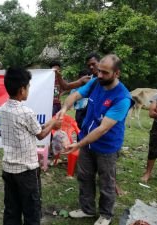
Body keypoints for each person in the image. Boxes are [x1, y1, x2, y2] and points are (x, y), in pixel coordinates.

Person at [57, 54, 133, 225]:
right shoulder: (95, 82)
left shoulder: (122, 98)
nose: (99, 75)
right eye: (99, 71)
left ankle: (106, 215)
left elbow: (103, 129)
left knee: (106, 182)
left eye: (105, 73)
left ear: (116, 73)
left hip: (106, 146)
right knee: (84, 176)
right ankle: (87, 209)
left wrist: (78, 144)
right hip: (86, 140)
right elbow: (75, 96)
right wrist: (64, 108)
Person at [0, 67, 58, 225]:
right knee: (32, 210)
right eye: (28, 87)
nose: (29, 90)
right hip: (26, 171)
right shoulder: (25, 112)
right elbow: (40, 134)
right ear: (21, 90)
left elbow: (35, 128)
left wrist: (52, 121)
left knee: (12, 209)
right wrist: (54, 124)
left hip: (9, 169)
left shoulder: (3, 109)